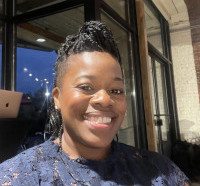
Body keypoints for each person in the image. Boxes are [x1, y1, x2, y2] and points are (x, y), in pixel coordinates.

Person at [0, 21, 190, 186]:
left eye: (116, 90)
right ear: (57, 98)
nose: (105, 99)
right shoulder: (18, 176)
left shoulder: (160, 170)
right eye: (86, 86)